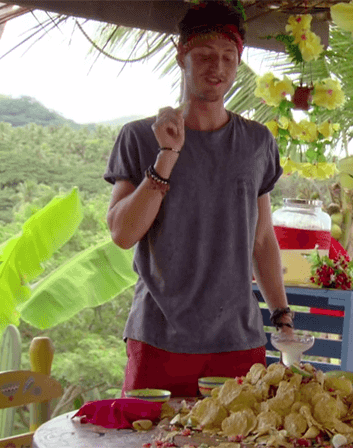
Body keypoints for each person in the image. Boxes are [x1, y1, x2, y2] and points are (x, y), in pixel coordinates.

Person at [104, 0, 294, 398]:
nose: (217, 67)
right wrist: (167, 155)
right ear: (182, 56)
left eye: (228, 57)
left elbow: (262, 240)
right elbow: (122, 233)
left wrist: (282, 317)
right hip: (158, 338)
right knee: (149, 432)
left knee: (242, 431)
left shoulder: (257, 142)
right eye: (205, 55)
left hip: (238, 342)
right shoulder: (138, 137)